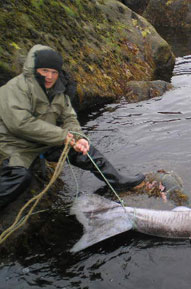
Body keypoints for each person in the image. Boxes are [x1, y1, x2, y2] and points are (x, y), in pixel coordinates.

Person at [0, 44, 145, 209]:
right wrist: (63, 136)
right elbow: (21, 124)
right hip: (15, 144)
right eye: (45, 71)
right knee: (19, 178)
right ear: (35, 69)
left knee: (86, 152)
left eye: (54, 72)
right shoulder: (15, 88)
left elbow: (69, 116)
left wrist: (78, 137)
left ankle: (117, 181)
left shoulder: (59, 90)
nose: (49, 76)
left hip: (45, 141)